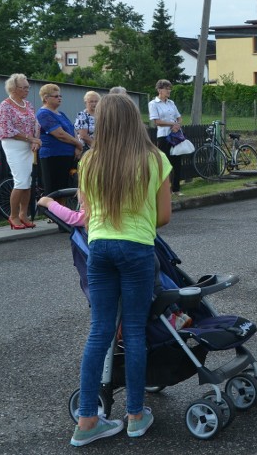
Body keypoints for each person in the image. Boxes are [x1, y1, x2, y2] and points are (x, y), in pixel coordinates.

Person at [70, 93, 172, 446]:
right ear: (134, 120)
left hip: (98, 249)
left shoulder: (89, 162)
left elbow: (85, 212)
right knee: (134, 331)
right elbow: (163, 217)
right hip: (137, 250)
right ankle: (134, 415)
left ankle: (87, 421)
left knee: (99, 331)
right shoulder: (154, 159)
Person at [0, 73, 41, 229]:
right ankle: (13, 215)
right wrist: (31, 139)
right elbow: (7, 129)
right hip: (13, 144)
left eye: (28, 86)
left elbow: (36, 123)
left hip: (28, 144)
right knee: (20, 180)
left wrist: (36, 139)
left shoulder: (27, 104)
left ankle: (23, 214)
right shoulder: (5, 105)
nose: (28, 89)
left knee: (28, 181)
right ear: (14, 88)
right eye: (24, 87)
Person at [36, 83, 83, 197]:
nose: (60, 98)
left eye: (60, 96)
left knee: (64, 190)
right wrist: (79, 144)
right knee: (53, 190)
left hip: (66, 156)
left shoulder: (61, 114)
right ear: (46, 98)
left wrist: (77, 146)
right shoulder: (43, 114)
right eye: (56, 96)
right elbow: (59, 134)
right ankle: (51, 214)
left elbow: (72, 129)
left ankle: (61, 214)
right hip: (53, 156)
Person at [148, 79, 183, 196]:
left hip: (175, 135)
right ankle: (164, 190)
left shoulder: (171, 103)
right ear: (159, 90)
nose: (169, 91)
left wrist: (177, 125)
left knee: (177, 161)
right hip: (163, 136)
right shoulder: (153, 104)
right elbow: (157, 121)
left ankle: (176, 189)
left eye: (169, 89)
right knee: (165, 163)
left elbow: (179, 117)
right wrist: (172, 124)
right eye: (166, 88)